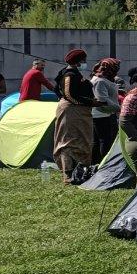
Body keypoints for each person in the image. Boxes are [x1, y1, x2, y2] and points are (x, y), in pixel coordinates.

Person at [52, 49, 98, 183]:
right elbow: (69, 95)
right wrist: (90, 102)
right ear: (78, 61)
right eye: (83, 60)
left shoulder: (75, 73)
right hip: (71, 111)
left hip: (79, 111)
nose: (84, 62)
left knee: (82, 139)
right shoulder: (69, 74)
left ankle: (81, 171)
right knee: (68, 141)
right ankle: (67, 174)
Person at [90, 58, 122, 164]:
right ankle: (104, 163)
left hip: (105, 114)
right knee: (105, 141)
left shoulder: (103, 79)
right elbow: (102, 100)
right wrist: (120, 108)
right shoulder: (100, 81)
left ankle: (96, 163)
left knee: (99, 141)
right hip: (103, 115)